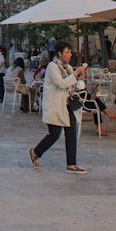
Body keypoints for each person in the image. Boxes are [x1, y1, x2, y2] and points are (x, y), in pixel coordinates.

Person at [28, 40, 89, 174]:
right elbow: (61, 83)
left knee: (71, 134)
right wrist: (75, 74)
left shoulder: (67, 67)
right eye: (66, 52)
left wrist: (79, 77)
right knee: (54, 134)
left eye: (70, 52)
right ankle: (36, 151)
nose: (69, 55)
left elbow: (72, 85)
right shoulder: (52, 67)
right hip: (55, 106)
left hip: (67, 105)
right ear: (59, 53)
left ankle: (71, 164)